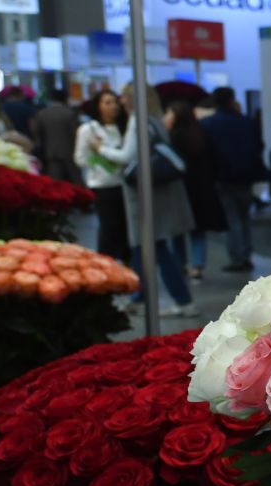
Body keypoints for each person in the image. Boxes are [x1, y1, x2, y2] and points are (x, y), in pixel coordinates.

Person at [99, 87, 197, 316]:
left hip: (142, 196)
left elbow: (127, 156)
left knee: (153, 247)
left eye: (123, 96)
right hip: (156, 195)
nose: (120, 101)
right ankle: (139, 296)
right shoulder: (155, 120)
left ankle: (182, 300)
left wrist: (100, 148)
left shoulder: (138, 120)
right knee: (144, 248)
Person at [201, 87, 265, 271]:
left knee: (233, 217)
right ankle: (245, 253)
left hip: (224, 176)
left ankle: (238, 256)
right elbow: (258, 146)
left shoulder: (210, 123)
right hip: (245, 175)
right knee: (243, 216)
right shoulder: (245, 122)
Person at [166, 99, 225, 280]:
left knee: (178, 231)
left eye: (169, 114)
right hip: (202, 189)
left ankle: (180, 264)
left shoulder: (172, 138)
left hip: (180, 189)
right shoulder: (201, 134)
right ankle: (198, 265)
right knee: (198, 230)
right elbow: (216, 160)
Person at [74, 89, 130, 261]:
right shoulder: (88, 129)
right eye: (107, 103)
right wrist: (100, 161)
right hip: (101, 185)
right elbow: (80, 158)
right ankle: (105, 263)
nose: (113, 107)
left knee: (125, 228)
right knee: (108, 228)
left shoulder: (125, 127)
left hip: (124, 183)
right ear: (98, 106)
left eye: (115, 102)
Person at [31, 87, 82, 184]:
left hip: (50, 154)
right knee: (76, 182)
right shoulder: (70, 113)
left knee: (55, 184)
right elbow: (75, 134)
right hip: (70, 153)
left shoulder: (42, 114)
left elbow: (37, 134)